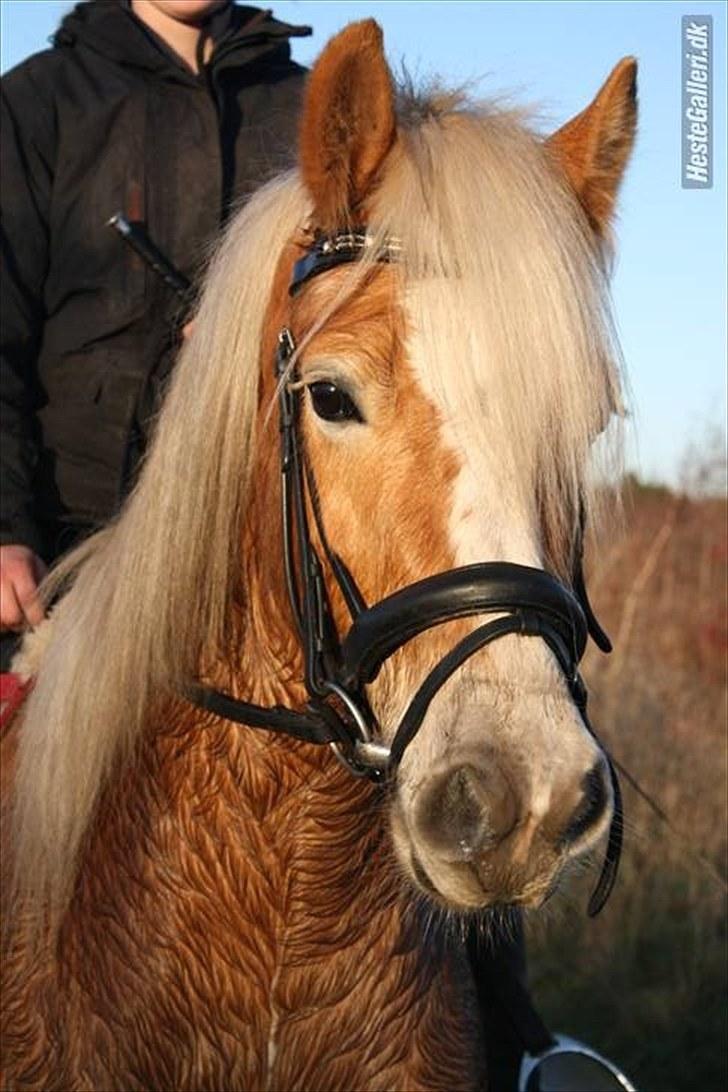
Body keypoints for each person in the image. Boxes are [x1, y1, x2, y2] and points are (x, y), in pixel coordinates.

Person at [0, 0, 309, 646]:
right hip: (67, 574)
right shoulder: (38, 102)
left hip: (263, 575)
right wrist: (3, 532)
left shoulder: (308, 111)